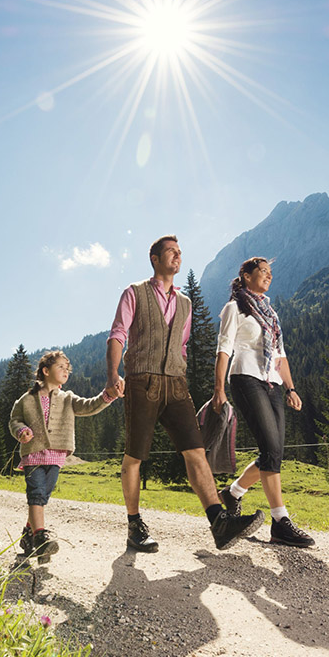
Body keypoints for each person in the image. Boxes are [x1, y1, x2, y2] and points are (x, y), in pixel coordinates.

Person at [106, 235, 264, 552]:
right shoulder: (134, 293)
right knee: (135, 455)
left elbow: (181, 345)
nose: (177, 256)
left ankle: (219, 523)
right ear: (154, 258)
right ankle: (134, 524)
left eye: (180, 252)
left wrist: (182, 372)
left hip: (176, 384)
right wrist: (113, 374)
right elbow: (118, 334)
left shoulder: (186, 303)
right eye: (170, 252)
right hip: (142, 380)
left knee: (195, 450)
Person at [212, 257, 315, 547]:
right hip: (245, 377)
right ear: (245, 275)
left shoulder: (270, 313)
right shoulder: (235, 308)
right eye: (263, 272)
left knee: (274, 452)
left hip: (273, 383)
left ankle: (232, 493)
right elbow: (224, 350)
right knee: (270, 449)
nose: (268, 276)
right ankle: (280, 521)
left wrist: (291, 389)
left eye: (271, 273)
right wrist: (218, 389)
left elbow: (280, 355)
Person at [9, 350, 120, 562]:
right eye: (60, 367)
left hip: (57, 456)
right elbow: (14, 420)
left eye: (67, 369)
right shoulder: (26, 399)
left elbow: (89, 406)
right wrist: (20, 431)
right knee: (36, 494)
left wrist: (108, 396)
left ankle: (27, 535)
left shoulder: (68, 398)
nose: (65, 371)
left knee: (42, 497)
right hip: (32, 454)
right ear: (45, 370)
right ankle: (40, 538)